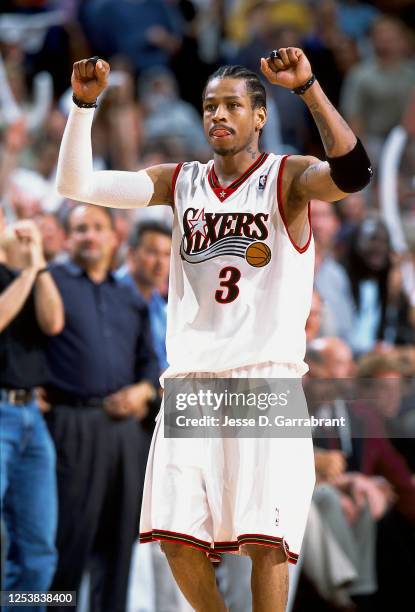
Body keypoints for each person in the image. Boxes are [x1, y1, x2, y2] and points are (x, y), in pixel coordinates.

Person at [56, 48, 372, 611]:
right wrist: (84, 106)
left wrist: (309, 89)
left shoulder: (288, 177)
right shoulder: (179, 182)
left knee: (265, 540)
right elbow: (77, 183)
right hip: (192, 380)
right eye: (208, 106)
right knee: (175, 540)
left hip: (264, 377)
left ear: (259, 116)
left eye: (231, 105)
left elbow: (353, 174)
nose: (217, 115)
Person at [43, 204, 160, 612]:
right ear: (66, 237)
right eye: (79, 229)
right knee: (66, 544)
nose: (89, 236)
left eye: (97, 228)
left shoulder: (128, 295)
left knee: (120, 546)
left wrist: (143, 391)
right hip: (70, 425)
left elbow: (150, 362)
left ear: (115, 236)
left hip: (126, 434)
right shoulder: (50, 282)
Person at [0, 220, 64, 612]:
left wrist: (38, 264)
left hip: (31, 418)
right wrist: (27, 272)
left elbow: (53, 321)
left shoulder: (24, 274)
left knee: (38, 547)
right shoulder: (16, 278)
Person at [116, 220, 171, 372]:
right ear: (131, 255)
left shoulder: (161, 307)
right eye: (153, 252)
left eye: (167, 254)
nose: (161, 262)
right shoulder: (109, 296)